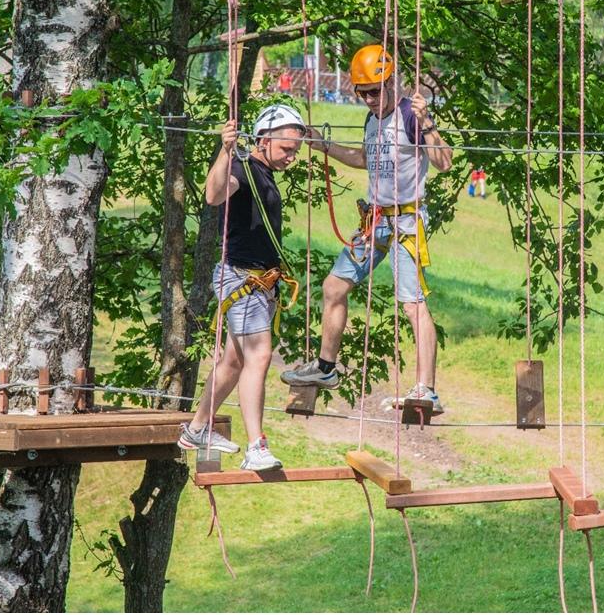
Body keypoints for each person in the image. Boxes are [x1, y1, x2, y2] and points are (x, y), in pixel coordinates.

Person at [281, 44, 452, 412]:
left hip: (406, 221)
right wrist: (323, 145)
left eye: (376, 91)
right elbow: (364, 158)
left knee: (412, 305)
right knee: (333, 286)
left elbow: (445, 162)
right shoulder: (372, 120)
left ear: (393, 83)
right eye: (363, 93)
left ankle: (427, 389)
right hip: (374, 221)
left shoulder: (410, 115)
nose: (370, 99)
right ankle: (326, 368)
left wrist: (428, 123)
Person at [178, 104, 306, 471]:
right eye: (286, 149)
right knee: (259, 356)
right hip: (243, 278)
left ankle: (197, 427)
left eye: (295, 151)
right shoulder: (241, 168)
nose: (291, 158)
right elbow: (214, 195)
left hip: (258, 281)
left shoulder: (262, 172)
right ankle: (256, 446)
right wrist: (224, 149)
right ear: (263, 140)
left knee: (233, 361)